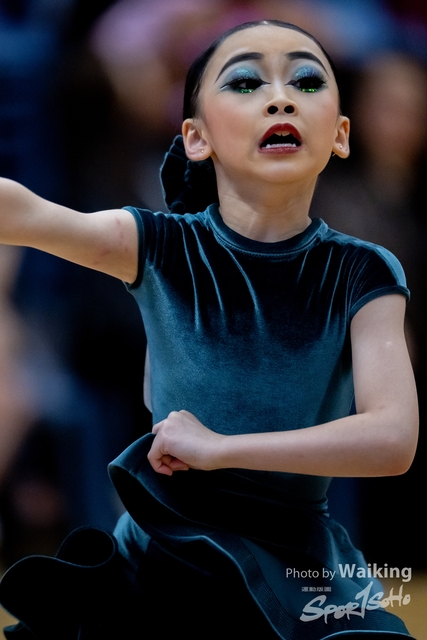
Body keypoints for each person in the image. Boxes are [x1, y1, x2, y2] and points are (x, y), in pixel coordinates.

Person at [0, 19, 419, 640]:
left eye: (306, 81)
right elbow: (24, 211)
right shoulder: (158, 245)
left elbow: (393, 439)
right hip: (159, 563)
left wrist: (219, 449)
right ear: (196, 138)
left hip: (298, 566)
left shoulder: (364, 270)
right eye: (246, 82)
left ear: (340, 133)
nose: (281, 98)